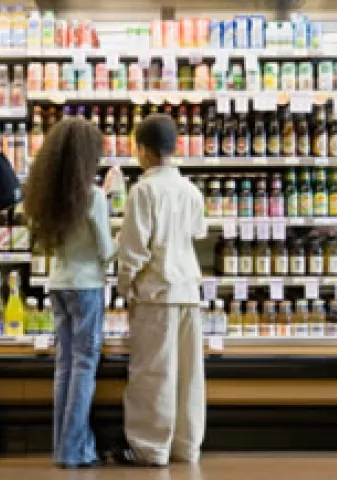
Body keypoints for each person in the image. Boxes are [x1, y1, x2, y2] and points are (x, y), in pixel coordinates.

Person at [114, 114, 207, 467]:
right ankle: (187, 445)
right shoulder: (191, 190)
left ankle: (149, 447)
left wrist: (126, 285)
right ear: (174, 147)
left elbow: (135, 248)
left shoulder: (144, 190)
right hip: (189, 290)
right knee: (188, 374)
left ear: (142, 150)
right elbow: (197, 233)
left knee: (154, 373)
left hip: (156, 292)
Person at [23, 118, 114, 468]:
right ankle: (74, 450)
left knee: (64, 366)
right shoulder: (92, 196)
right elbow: (106, 250)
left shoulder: (46, 192)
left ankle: (63, 446)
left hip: (58, 284)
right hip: (87, 286)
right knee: (84, 367)